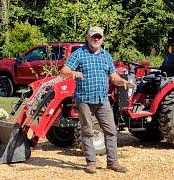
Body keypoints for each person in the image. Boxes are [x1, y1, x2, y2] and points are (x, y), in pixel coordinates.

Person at [58, 26, 135, 174]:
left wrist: (123, 82)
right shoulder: (79, 54)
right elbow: (63, 72)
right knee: (87, 131)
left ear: (102, 39)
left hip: (102, 99)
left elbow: (113, 77)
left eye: (99, 37)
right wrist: (73, 72)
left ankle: (113, 162)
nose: (96, 39)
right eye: (93, 36)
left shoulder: (106, 56)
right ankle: (91, 163)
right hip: (85, 99)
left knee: (111, 130)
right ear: (88, 37)